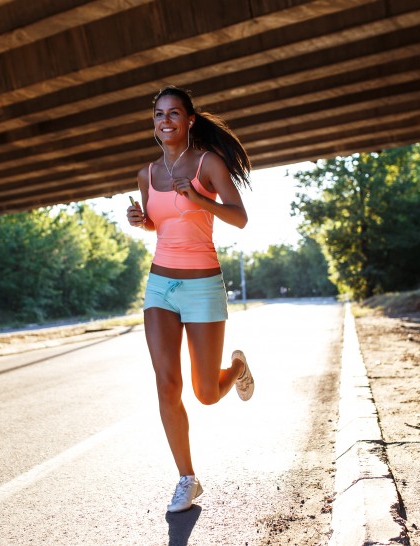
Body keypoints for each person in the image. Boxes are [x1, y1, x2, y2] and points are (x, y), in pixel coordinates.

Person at [126, 85, 255, 513]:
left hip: (202, 285)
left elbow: (239, 217)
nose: (165, 121)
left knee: (203, 392)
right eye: (159, 115)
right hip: (160, 286)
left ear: (190, 120)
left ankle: (236, 367)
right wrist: (140, 219)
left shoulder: (208, 163)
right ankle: (186, 477)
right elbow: (158, 225)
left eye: (174, 113)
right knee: (166, 385)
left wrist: (200, 198)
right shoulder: (146, 174)